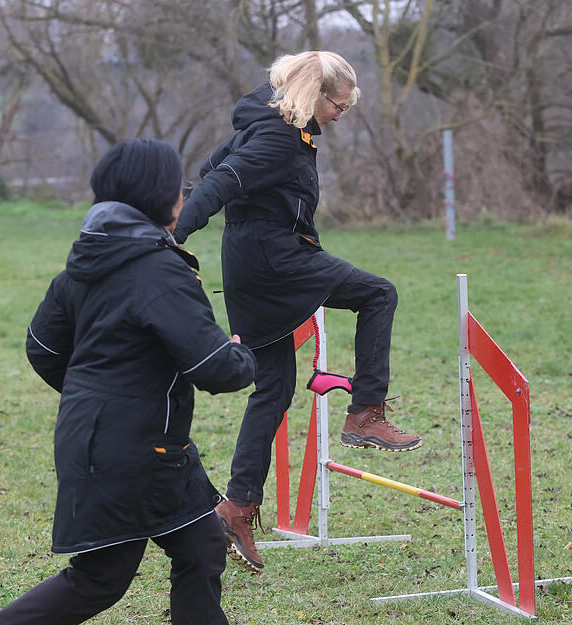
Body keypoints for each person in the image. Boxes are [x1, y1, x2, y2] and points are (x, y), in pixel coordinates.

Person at [0, 139, 257, 625]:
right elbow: (216, 367)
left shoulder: (85, 263)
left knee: (202, 547)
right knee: (101, 578)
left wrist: (99, 399)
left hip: (116, 442)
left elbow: (42, 349)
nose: (184, 197)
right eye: (179, 188)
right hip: (136, 451)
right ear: (156, 198)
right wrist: (243, 355)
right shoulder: (158, 270)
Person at [172, 51, 422, 575]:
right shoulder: (277, 139)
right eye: (341, 103)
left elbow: (209, 169)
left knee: (275, 388)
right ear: (315, 93)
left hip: (249, 265)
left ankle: (237, 507)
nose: (342, 113)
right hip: (276, 261)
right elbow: (216, 186)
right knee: (379, 294)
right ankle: (366, 413)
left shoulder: (269, 126)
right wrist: (171, 239)